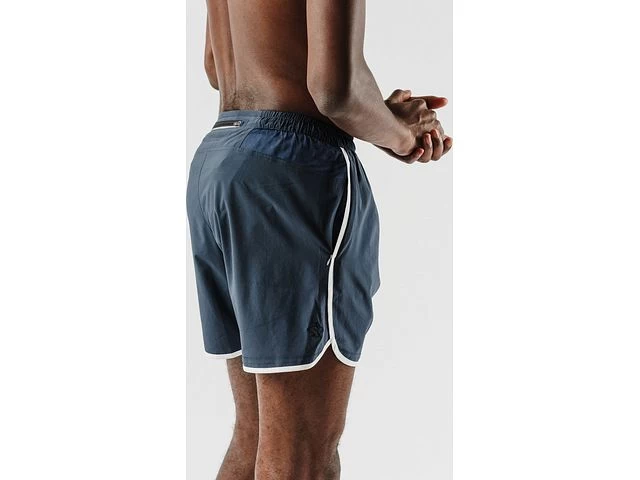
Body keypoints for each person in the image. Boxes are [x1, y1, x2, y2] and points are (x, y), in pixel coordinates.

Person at [187, 1, 452, 478]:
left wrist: (380, 116)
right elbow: (335, 91)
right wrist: (402, 135)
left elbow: (213, 64)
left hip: (220, 158)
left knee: (256, 435)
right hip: (290, 169)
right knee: (302, 453)